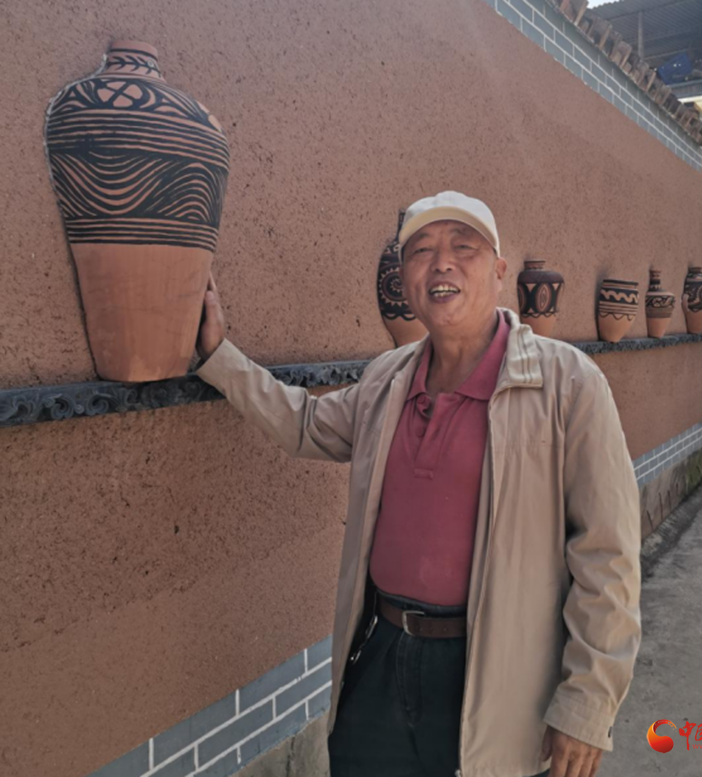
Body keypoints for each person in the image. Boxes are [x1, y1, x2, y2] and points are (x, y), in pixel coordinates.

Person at [195, 191, 642, 777]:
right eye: (421, 250)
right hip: (381, 653)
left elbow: (607, 552)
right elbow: (305, 424)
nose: (442, 263)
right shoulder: (388, 379)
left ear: (500, 271)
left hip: (492, 671)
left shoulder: (568, 384)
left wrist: (588, 702)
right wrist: (218, 356)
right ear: (405, 280)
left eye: (464, 247)